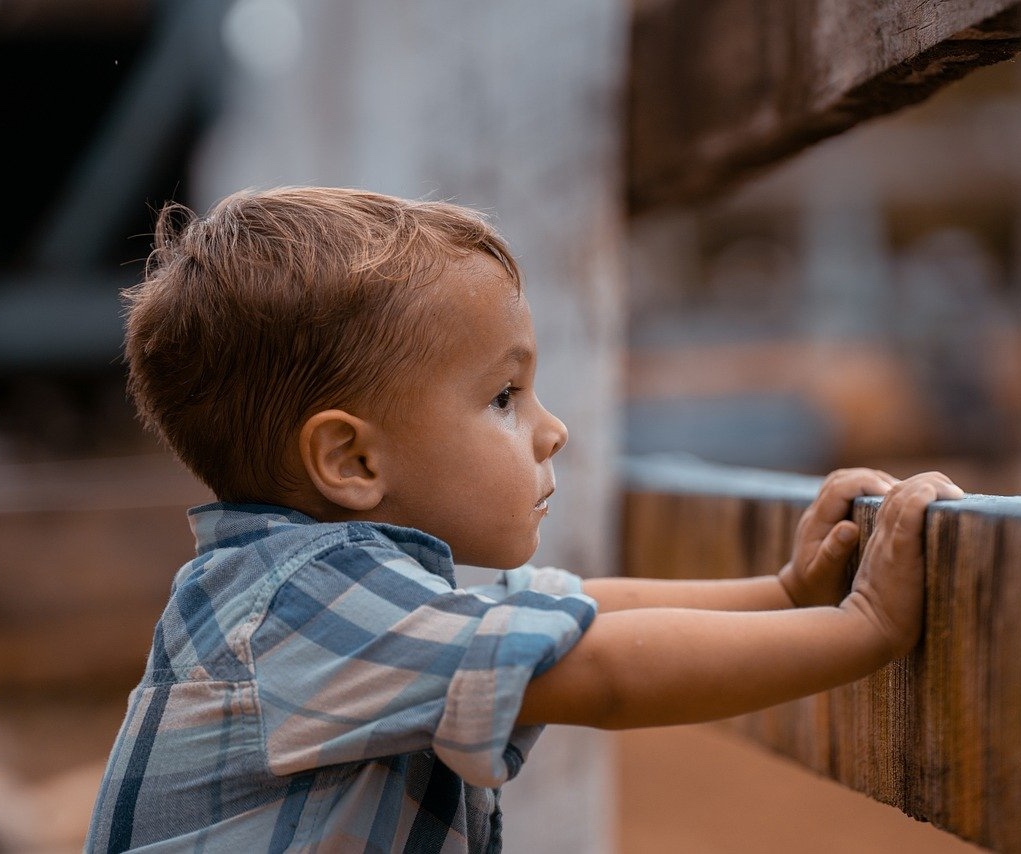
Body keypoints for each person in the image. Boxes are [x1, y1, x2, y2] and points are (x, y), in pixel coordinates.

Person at [86, 186, 964, 853]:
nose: (552, 430)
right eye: (503, 396)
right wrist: (866, 629)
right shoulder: (297, 608)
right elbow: (603, 673)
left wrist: (782, 595)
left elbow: (575, 609)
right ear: (352, 462)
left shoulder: (339, 590)